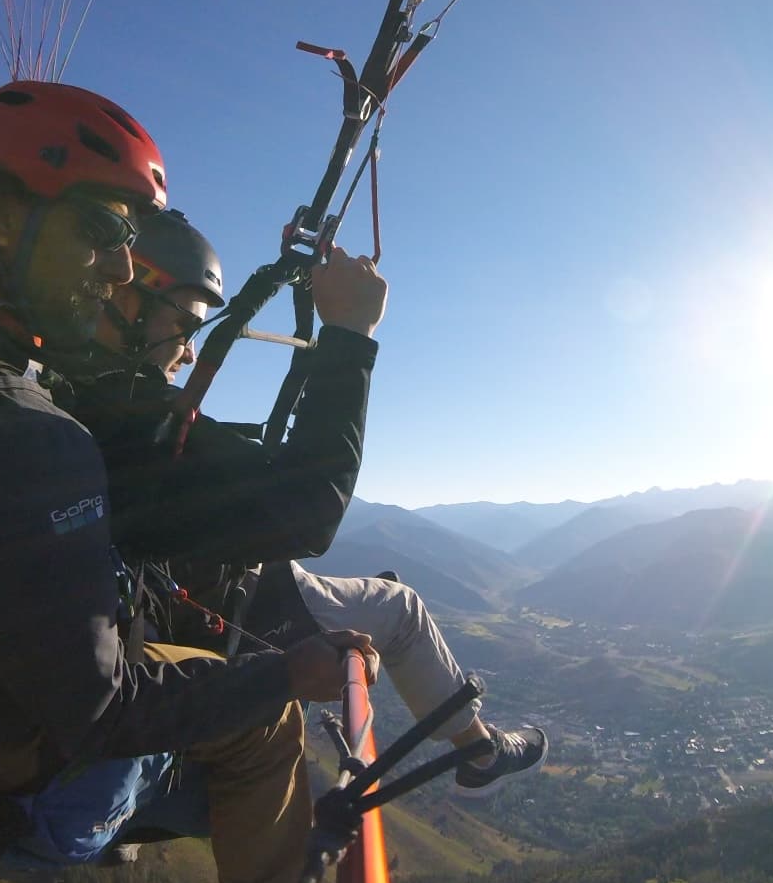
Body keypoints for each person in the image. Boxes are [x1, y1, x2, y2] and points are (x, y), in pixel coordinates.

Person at [0, 80, 375, 883]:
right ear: (3, 217)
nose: (122, 266)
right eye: (101, 231)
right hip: (1, 785)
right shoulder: (21, 430)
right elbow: (102, 710)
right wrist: (286, 676)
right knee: (269, 724)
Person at [59, 209, 548, 800]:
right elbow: (312, 510)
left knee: (371, 595)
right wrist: (349, 335)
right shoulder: (131, 420)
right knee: (399, 608)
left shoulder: (71, 401)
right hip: (225, 603)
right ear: (125, 304)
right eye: (185, 326)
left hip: (193, 590)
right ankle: (480, 750)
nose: (187, 353)